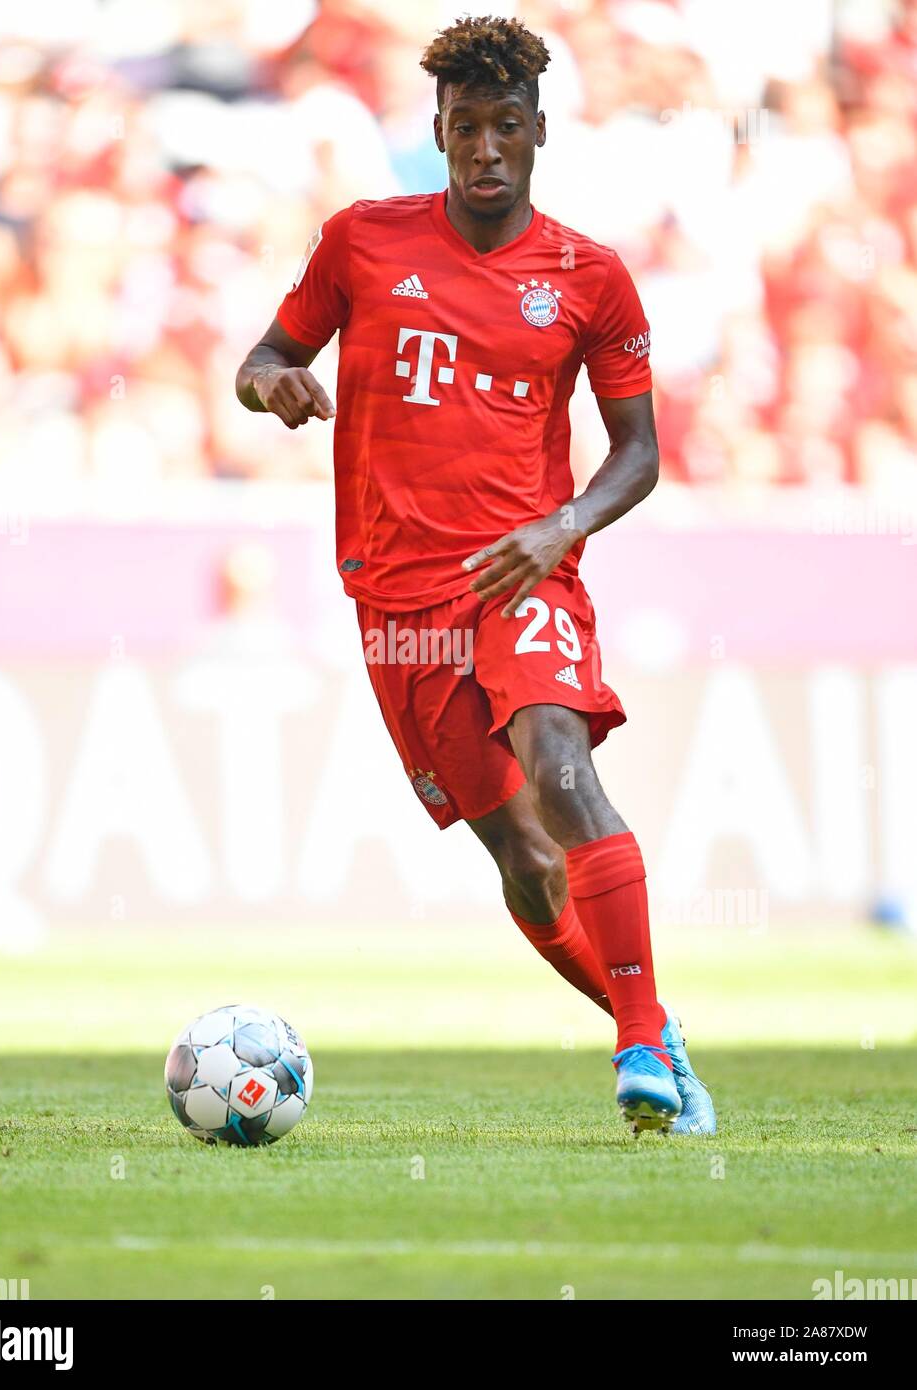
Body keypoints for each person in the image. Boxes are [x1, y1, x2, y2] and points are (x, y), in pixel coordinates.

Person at [236, 15, 715, 1135]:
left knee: (559, 765)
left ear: (539, 131)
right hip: (396, 603)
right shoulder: (360, 241)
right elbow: (262, 358)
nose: (485, 149)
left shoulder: (589, 278)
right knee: (525, 862)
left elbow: (639, 453)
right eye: (465, 129)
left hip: (519, 574)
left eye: (506, 127)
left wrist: (562, 529)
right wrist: (278, 388)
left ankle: (637, 1046)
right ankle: (646, 1020)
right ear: (436, 130)